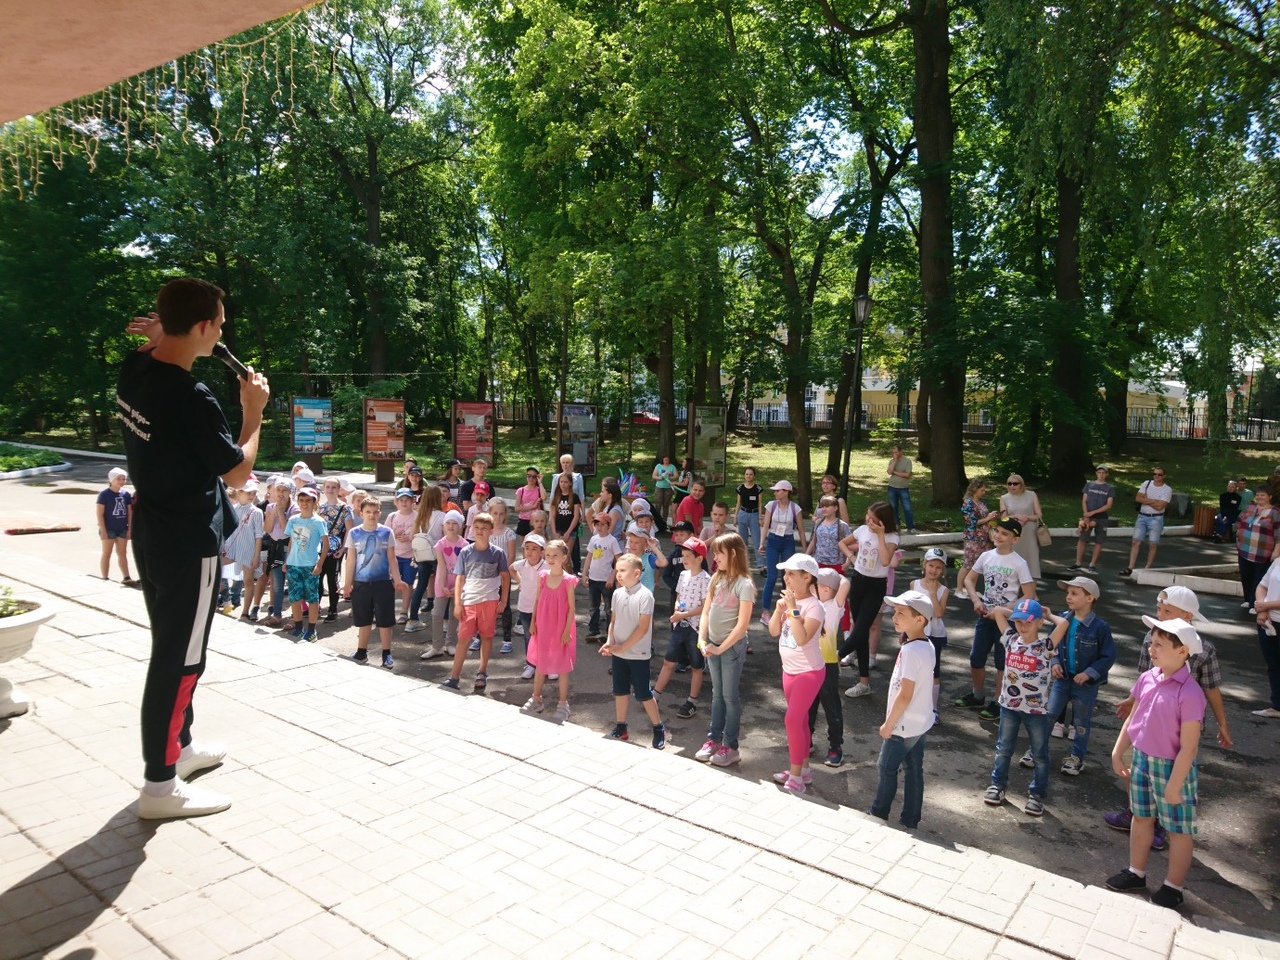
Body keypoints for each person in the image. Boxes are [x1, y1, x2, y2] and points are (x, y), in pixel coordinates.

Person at [119, 277, 269, 818]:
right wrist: (254, 411)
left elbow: (158, 343)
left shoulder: (136, 371)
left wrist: (164, 330)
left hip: (152, 535)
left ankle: (178, 750)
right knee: (179, 663)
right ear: (203, 327)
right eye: (221, 324)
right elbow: (237, 470)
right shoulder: (191, 397)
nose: (223, 332)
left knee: (173, 649)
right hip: (188, 543)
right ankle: (159, 787)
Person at [1103, 587, 1233, 848]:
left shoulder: (1204, 649)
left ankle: (1163, 825)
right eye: (1158, 609)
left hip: (1181, 726)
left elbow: (1211, 688)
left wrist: (1222, 723)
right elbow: (1144, 679)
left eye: (1167, 611)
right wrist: (1131, 702)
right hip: (1147, 721)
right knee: (1135, 767)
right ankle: (1136, 812)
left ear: (1187, 616)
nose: (1160, 615)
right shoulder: (1150, 639)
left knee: (1173, 774)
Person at [1105, 617, 1206, 910]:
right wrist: (1117, 751)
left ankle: (1173, 886)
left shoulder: (1189, 693)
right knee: (1141, 816)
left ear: (1182, 651)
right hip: (1141, 760)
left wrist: (1175, 784)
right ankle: (1136, 872)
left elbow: (1189, 746)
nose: (1152, 648)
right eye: (1152, 642)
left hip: (1173, 768)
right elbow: (1133, 719)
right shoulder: (1148, 677)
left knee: (1178, 829)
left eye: (1160, 644)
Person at [982, 599, 1069, 817]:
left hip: (1036, 711)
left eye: (1028, 622)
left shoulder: (1046, 646)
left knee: (1040, 754)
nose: (1022, 626)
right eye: (1019, 622)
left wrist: (1048, 614)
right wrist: (1018, 611)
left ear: (1039, 623)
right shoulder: (1010, 639)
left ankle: (1037, 795)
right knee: (1004, 749)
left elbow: (1065, 624)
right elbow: (999, 612)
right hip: (1009, 707)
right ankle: (998, 786)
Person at [870, 591, 938, 829]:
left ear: (920, 620)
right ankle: (910, 820)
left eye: (901, 613)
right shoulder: (926, 645)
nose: (894, 617)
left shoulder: (910, 651)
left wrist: (889, 724)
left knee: (886, 768)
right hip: (921, 722)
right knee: (913, 770)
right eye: (895, 611)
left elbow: (905, 694)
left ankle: (878, 814)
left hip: (903, 724)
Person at [959, 516, 1037, 721]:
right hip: (985, 615)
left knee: (1002, 662)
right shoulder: (986, 556)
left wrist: (1003, 610)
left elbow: (1028, 594)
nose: (998, 535)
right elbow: (969, 579)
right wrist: (976, 600)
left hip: (1007, 621)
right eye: (997, 531)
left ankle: (997, 701)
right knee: (976, 657)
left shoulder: (1019, 563)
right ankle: (977, 695)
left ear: (1015, 539)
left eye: (1005, 533)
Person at [1040, 577, 1115, 777]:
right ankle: (1038, 751)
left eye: (1074, 593)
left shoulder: (1100, 627)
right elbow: (1050, 645)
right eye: (1068, 593)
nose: (1068, 597)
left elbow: (1108, 656)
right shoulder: (1063, 620)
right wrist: (1054, 662)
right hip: (1062, 680)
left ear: (1089, 598)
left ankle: (1076, 758)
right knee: (1048, 716)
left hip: (1086, 685)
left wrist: (1089, 673)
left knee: (1081, 723)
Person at [766, 553, 826, 794]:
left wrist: (792, 609)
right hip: (788, 670)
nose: (786, 578)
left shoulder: (815, 607)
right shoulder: (789, 603)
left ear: (807, 577)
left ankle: (796, 776)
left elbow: (801, 638)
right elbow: (772, 631)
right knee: (798, 721)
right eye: (785, 573)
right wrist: (779, 611)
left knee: (792, 720)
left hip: (808, 672)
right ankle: (804, 770)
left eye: (791, 574)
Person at [695, 533, 755, 768]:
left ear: (732, 553)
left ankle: (731, 746)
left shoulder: (745, 584)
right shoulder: (716, 579)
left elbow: (742, 626)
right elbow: (706, 612)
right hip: (713, 645)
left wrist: (720, 648)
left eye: (719, 552)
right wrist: (703, 639)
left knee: (730, 697)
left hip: (729, 649)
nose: (714, 556)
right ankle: (713, 739)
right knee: (717, 695)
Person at [600, 554, 666, 749]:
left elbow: (643, 628)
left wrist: (622, 647)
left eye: (622, 571)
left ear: (636, 573)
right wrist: (609, 641)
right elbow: (613, 621)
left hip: (638, 655)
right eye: (617, 571)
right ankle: (621, 727)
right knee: (619, 691)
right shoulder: (617, 594)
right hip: (619, 653)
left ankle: (658, 727)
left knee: (644, 693)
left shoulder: (645, 595)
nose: (618, 575)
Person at [441, 512, 510, 693]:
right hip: (469, 602)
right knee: (463, 638)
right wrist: (458, 603)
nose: (479, 532)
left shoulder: (498, 553)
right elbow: (459, 579)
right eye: (476, 528)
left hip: (489, 601)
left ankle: (482, 671)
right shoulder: (465, 552)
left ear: (491, 531)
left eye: (484, 529)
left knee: (486, 637)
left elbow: (505, 576)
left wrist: (503, 600)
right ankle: (454, 676)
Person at [838, 501, 899, 699]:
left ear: (882, 521)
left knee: (861, 629)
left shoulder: (891, 537)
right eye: (867, 514)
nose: (867, 519)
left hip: (876, 586)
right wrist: (852, 559)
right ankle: (864, 682)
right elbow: (842, 543)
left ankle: (832, 659)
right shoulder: (862, 530)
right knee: (861, 634)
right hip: (858, 581)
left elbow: (884, 561)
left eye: (872, 517)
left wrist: (880, 535)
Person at [340, 496, 411, 669]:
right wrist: (347, 583)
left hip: (382, 583)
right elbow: (351, 560)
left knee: (385, 620)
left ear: (379, 513)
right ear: (361, 513)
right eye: (368, 512)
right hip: (361, 583)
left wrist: (398, 580)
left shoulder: (387, 532)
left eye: (375, 512)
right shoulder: (354, 533)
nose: (371, 515)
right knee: (363, 619)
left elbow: (392, 559)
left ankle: (386, 653)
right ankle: (361, 651)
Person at [652, 537, 710, 719]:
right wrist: (677, 607)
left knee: (696, 666)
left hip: (695, 629)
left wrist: (682, 615)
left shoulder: (706, 580)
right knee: (669, 661)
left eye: (687, 556)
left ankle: (692, 701)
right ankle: (655, 694)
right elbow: (678, 595)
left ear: (699, 559)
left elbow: (704, 607)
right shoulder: (683, 575)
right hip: (680, 624)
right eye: (683, 555)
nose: (683, 559)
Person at [522, 539, 578, 722]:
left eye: (555, 555)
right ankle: (536, 697)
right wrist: (533, 622)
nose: (551, 559)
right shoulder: (543, 576)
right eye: (548, 555)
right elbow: (537, 600)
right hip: (543, 625)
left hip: (560, 626)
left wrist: (566, 630)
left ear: (564, 557)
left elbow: (571, 608)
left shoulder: (568, 580)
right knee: (541, 661)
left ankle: (563, 703)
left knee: (562, 665)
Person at [809, 569, 851, 767]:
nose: (810, 588)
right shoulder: (811, 605)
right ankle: (806, 740)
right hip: (809, 663)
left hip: (828, 665)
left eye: (814, 585)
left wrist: (834, 575)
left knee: (831, 707)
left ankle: (836, 746)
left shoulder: (834, 606)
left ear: (825, 589)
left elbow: (845, 583)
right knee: (808, 705)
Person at [283, 487, 328, 642]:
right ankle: (298, 628)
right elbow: (291, 542)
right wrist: (287, 561)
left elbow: (326, 544)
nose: (304, 504)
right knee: (295, 598)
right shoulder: (293, 520)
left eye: (308, 501)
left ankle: (312, 630)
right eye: (301, 500)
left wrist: (319, 564)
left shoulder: (318, 521)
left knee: (312, 598)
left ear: (314, 502)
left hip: (310, 565)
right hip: (294, 564)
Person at [421, 509, 466, 661]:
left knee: (455, 614)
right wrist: (443, 585)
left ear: (460, 526)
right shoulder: (440, 544)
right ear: (443, 525)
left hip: (459, 583)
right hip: (443, 583)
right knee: (437, 614)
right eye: (448, 523)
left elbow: (464, 569)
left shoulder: (464, 544)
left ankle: (450, 643)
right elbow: (441, 566)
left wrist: (457, 587)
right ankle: (436, 646)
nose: (451, 526)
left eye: (454, 523)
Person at [758, 480, 807, 618]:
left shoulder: (795, 508)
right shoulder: (771, 506)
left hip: (788, 541)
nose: (775, 493)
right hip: (773, 540)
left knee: (788, 578)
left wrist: (806, 550)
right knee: (772, 577)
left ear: (786, 492)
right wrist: (762, 543)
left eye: (778, 490)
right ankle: (766, 611)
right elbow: (766, 525)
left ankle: (787, 610)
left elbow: (802, 530)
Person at [910, 547, 950, 715]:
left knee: (933, 670)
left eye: (938, 567)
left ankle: (933, 709)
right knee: (913, 668)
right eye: (931, 565)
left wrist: (933, 593)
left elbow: (939, 613)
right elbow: (909, 609)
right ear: (925, 565)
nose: (934, 570)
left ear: (943, 570)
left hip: (934, 634)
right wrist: (904, 632)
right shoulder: (914, 584)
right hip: (915, 631)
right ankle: (912, 703)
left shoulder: (943, 590)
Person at [406, 485, 446, 634]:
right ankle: (445, 621)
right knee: (442, 585)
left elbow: (411, 536)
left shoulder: (419, 515)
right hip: (438, 555)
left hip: (422, 555)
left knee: (421, 585)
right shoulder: (442, 516)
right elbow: (444, 537)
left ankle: (413, 619)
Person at [223, 480, 264, 621]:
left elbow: (259, 536)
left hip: (248, 549)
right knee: (216, 565)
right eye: (248, 492)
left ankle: (245, 611)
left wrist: (256, 556)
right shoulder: (233, 508)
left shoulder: (257, 512)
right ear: (239, 492)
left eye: (253, 493)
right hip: (231, 547)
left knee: (248, 581)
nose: (251, 495)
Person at [1235, 483, 1278, 614]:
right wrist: (1238, 536)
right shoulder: (1249, 507)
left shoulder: (1275, 513)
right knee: (1246, 575)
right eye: (1258, 495)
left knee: (1258, 578)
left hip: (1263, 552)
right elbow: (1239, 521)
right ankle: (1247, 599)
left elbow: (1279, 534)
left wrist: (1276, 552)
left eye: (1263, 495)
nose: (1259, 497)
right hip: (1245, 549)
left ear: (1270, 496)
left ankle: (1255, 603)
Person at [1123, 467, 1173, 577]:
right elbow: (1138, 498)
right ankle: (1130, 567)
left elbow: (1160, 507)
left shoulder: (1167, 489)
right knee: (1135, 541)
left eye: (1159, 475)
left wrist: (1146, 500)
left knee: (1152, 543)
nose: (1156, 476)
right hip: (1142, 516)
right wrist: (1153, 501)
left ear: (1164, 476)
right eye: (1154, 474)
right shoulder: (1147, 483)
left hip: (1156, 518)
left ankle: (1147, 567)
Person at [317, 478, 354, 624]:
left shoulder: (345, 508)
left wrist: (344, 548)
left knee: (332, 579)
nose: (330, 490)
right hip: (319, 547)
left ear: (339, 489)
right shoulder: (320, 507)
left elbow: (349, 529)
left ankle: (333, 609)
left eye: (334, 487)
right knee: (317, 577)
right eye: (328, 487)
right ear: (324, 489)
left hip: (335, 548)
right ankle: (316, 605)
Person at [511, 533, 548, 679]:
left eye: (534, 548)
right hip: (525, 606)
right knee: (529, 636)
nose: (530, 552)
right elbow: (511, 568)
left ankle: (546, 663)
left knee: (544, 635)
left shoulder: (546, 566)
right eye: (527, 548)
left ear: (542, 551)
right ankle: (531, 664)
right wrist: (520, 581)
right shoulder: (522, 563)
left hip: (542, 608)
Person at [97, 467, 137, 585]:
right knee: (107, 553)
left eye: (124, 479)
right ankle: (105, 577)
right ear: (111, 479)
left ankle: (126, 576)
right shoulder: (104, 494)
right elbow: (100, 513)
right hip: (109, 529)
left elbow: (130, 513)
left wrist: (130, 528)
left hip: (122, 529)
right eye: (118, 479)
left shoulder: (125, 494)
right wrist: (103, 530)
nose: (121, 481)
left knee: (122, 553)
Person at [1071, 465, 1115, 574]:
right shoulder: (1089, 485)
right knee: (1082, 539)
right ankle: (1078, 563)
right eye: (1099, 472)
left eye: (1103, 473)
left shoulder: (1109, 488)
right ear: (1096, 473)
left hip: (1102, 518)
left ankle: (1092, 564)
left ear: (1107, 474)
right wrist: (1086, 514)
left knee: (1099, 541)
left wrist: (1093, 512)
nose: (1101, 474)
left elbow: (1109, 505)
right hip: (1088, 516)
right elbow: (1084, 500)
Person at [585, 513, 621, 640]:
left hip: (606, 580)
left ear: (608, 525)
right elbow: (589, 556)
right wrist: (585, 573)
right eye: (597, 524)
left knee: (609, 608)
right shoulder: (594, 539)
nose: (599, 527)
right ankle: (593, 630)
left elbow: (619, 560)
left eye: (602, 524)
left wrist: (613, 576)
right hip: (593, 578)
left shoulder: (612, 540)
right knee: (593, 607)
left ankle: (609, 633)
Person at [999, 474, 1043, 580]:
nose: (1012, 486)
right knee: (1014, 558)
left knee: (1031, 559)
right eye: (1009, 484)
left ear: (1021, 484)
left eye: (1015, 483)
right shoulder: (1004, 498)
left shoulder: (1032, 495)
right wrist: (1014, 516)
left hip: (1029, 531)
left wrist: (1027, 518)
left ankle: (1032, 592)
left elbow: (1039, 515)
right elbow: (1003, 518)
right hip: (1013, 533)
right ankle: (1014, 588)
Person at [1252, 559, 1280, 719]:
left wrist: (1265, 606)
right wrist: (1262, 609)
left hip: (1269, 613)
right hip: (1269, 620)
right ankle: (1277, 705)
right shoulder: (1277, 562)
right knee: (1273, 664)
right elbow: (1262, 586)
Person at [956, 478, 991, 601]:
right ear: (975, 489)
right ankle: (959, 589)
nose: (984, 492)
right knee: (968, 563)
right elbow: (971, 522)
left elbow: (985, 518)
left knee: (977, 565)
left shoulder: (982, 503)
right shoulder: (968, 503)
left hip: (984, 537)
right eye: (982, 490)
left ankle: (971, 589)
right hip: (972, 538)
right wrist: (987, 519)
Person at [550, 454, 586, 573]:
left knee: (569, 554)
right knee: (559, 557)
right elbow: (552, 506)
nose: (565, 465)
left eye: (567, 462)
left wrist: (583, 513)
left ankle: (574, 572)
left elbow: (581, 496)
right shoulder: (556, 479)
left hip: (571, 522)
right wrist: (553, 529)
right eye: (563, 462)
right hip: (559, 526)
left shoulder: (577, 478)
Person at [734, 467, 763, 567]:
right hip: (743, 513)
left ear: (754, 476)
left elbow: (760, 503)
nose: (748, 476)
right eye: (746, 474)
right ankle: (744, 563)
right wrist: (735, 516)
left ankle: (761, 564)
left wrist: (760, 517)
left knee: (756, 541)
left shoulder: (758, 488)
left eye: (750, 474)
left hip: (754, 514)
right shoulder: (740, 488)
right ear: (744, 475)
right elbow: (738, 502)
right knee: (742, 541)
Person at [885, 444, 916, 534]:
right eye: (893, 452)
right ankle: (896, 525)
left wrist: (895, 472)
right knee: (893, 507)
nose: (895, 454)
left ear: (901, 451)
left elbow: (907, 475)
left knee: (907, 508)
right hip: (892, 487)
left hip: (903, 488)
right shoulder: (892, 461)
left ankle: (910, 527)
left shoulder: (907, 461)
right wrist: (895, 461)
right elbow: (889, 472)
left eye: (896, 452)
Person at [514, 467, 547, 537]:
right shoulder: (521, 490)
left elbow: (544, 497)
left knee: (537, 543)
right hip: (524, 520)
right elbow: (517, 508)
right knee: (525, 545)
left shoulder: (538, 490)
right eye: (529, 476)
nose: (531, 479)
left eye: (534, 477)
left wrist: (540, 483)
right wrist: (533, 506)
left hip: (536, 521)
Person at [652, 454, 679, 527]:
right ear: (662, 460)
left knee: (666, 504)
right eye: (665, 460)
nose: (666, 461)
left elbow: (676, 476)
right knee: (658, 503)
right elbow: (654, 476)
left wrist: (670, 477)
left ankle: (664, 521)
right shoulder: (658, 466)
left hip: (668, 487)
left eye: (667, 460)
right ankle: (657, 520)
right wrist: (660, 477)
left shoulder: (672, 466)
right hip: (659, 486)